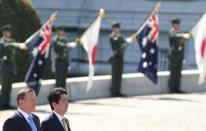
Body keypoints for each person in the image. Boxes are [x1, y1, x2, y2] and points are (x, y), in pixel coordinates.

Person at [0, 24, 27, 109]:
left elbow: (13, 55)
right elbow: (7, 45)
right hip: (5, 65)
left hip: (11, 65)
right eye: (7, 32)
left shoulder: (11, 40)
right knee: (4, 86)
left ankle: (7, 103)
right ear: (4, 33)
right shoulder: (2, 41)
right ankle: (1, 104)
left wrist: (14, 68)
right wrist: (18, 45)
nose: (9, 33)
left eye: (10, 31)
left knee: (9, 86)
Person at [109, 22, 134, 97]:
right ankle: (113, 91)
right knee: (114, 75)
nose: (118, 29)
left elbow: (122, 41)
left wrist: (130, 39)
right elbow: (117, 40)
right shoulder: (112, 36)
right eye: (117, 28)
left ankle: (118, 91)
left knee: (119, 76)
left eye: (119, 28)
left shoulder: (120, 36)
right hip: (115, 58)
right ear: (114, 29)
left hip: (120, 58)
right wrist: (126, 40)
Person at [168, 18, 192, 93]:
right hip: (173, 55)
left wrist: (183, 57)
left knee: (178, 73)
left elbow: (182, 46)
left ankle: (177, 88)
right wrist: (183, 35)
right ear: (173, 25)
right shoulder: (171, 32)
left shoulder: (180, 33)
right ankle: (172, 88)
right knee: (173, 73)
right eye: (176, 24)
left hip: (179, 56)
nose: (178, 26)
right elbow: (174, 36)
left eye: (178, 24)